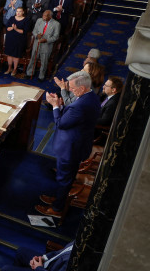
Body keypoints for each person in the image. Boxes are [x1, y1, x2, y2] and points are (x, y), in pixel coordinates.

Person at [37, 71, 100, 218]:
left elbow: (61, 123)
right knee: (67, 176)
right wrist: (61, 104)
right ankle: (59, 198)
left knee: (65, 178)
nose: (70, 90)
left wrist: (55, 106)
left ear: (82, 88)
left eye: (72, 88)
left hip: (70, 148)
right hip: (79, 144)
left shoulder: (80, 105)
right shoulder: (92, 97)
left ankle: (57, 208)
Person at [26, 10, 60, 81]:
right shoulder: (39, 20)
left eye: (45, 16)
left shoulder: (56, 24)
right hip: (37, 43)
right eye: (43, 15)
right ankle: (29, 73)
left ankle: (41, 76)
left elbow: (55, 37)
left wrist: (46, 40)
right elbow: (34, 31)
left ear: (50, 16)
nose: (43, 17)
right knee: (33, 59)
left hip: (46, 46)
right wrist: (36, 35)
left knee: (44, 62)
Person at [0, 241, 74, 271]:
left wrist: (38, 268)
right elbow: (59, 252)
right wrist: (43, 258)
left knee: (6, 269)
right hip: (47, 263)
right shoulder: (80, 240)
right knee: (21, 251)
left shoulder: (76, 262)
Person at [4, 7, 29, 76]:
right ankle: (9, 68)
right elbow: (7, 28)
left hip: (19, 40)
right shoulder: (12, 18)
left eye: (20, 11)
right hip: (10, 39)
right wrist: (12, 28)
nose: (18, 13)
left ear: (23, 12)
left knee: (16, 55)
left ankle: (14, 69)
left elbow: (24, 31)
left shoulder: (26, 20)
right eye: (17, 11)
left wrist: (16, 29)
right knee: (9, 54)